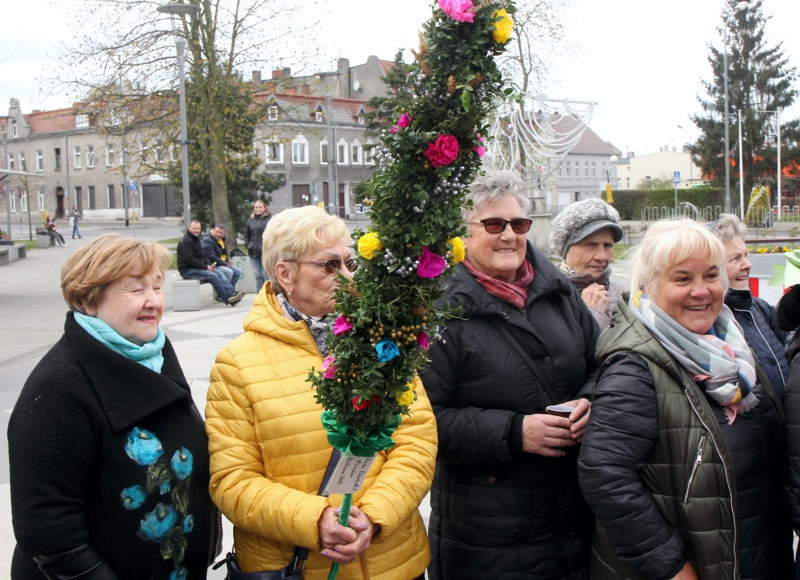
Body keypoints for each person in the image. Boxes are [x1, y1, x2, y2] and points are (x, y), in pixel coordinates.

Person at [206, 205, 437, 578]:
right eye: (330, 265)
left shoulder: (380, 341)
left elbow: (416, 443)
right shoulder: (237, 363)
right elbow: (232, 480)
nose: (346, 276)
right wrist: (316, 522)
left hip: (391, 561)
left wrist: (375, 516)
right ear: (286, 274)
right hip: (297, 566)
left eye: (350, 263)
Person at [578, 219, 792, 579]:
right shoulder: (635, 365)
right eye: (682, 279)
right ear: (650, 285)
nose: (701, 291)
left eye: (711, 275)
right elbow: (605, 476)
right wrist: (672, 568)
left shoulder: (733, 349)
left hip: (758, 556)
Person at [420, 170, 599, 578]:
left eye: (517, 224)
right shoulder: (438, 310)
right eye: (493, 224)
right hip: (488, 534)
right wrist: (513, 432)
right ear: (462, 235)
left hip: (573, 515)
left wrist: (591, 399)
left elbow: (604, 361)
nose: (508, 236)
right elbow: (424, 420)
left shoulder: (557, 290)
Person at [8, 234, 219, 579]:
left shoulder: (153, 354)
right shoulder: (58, 387)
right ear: (88, 300)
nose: (153, 301)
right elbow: (48, 528)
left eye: (157, 286)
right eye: (136, 290)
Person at [709, 213, 789, 397]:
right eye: (736, 259)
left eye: (746, 255)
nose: (747, 264)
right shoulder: (710, 323)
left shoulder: (759, 308)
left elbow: (789, 344)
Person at [549, 197, 626, 330]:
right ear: (565, 249)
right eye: (591, 245)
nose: (602, 256)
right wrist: (592, 313)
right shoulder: (548, 297)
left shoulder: (625, 296)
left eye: (608, 245)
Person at [178, 220, 244, 306]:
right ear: (189, 228)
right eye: (194, 228)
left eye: (198, 228)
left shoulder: (196, 239)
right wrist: (206, 267)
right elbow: (190, 260)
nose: (196, 230)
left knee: (217, 272)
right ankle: (227, 298)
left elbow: (202, 256)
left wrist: (210, 265)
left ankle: (231, 292)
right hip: (187, 270)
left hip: (196, 268)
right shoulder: (186, 241)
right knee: (213, 276)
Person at [201, 224, 242, 290]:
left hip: (221, 263)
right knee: (229, 272)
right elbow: (212, 257)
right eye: (217, 232)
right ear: (213, 230)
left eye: (221, 233)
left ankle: (231, 290)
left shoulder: (221, 239)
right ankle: (224, 293)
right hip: (212, 264)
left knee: (238, 271)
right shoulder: (207, 240)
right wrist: (225, 264)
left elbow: (225, 252)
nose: (219, 234)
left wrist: (228, 259)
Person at [244, 199, 271, 291]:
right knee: (257, 274)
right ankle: (259, 295)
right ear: (254, 208)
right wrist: (247, 244)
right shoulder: (250, 219)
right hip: (252, 251)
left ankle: (267, 294)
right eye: (256, 207)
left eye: (260, 207)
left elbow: (271, 234)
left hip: (264, 251)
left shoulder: (268, 220)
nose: (258, 209)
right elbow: (247, 234)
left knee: (265, 274)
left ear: (264, 208)